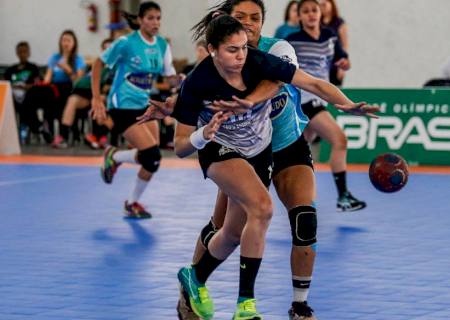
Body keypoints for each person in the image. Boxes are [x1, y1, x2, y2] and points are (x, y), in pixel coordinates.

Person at [141, 11, 377, 320]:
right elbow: (180, 145)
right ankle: (246, 306)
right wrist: (204, 133)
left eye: (243, 48)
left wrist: (347, 105)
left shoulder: (257, 60)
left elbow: (313, 83)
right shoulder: (198, 83)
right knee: (263, 208)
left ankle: (194, 276)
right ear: (212, 49)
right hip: (220, 150)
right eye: (232, 50)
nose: (241, 56)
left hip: (259, 151)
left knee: (232, 233)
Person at [90, 1, 177, 219]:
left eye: (158, 18)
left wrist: (186, 79)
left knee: (151, 160)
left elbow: (171, 78)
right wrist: (96, 99)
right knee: (152, 155)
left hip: (143, 104)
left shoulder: (162, 46)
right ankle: (130, 201)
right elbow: (98, 64)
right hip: (121, 105)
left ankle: (115, 158)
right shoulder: (126, 43)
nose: (155, 22)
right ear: (140, 20)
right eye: (150, 18)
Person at [286, 0, 366, 212]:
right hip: (304, 100)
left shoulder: (330, 36)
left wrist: (344, 63)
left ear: (321, 13)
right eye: (306, 11)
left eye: (315, 10)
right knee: (339, 139)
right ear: (299, 16)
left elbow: (341, 58)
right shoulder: (292, 41)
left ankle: (289, 189)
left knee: (298, 149)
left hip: (321, 98)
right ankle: (343, 197)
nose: (311, 14)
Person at [21, 30, 86, 140]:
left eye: (69, 40)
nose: (66, 43)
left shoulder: (78, 59)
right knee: (30, 94)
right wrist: (40, 83)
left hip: (70, 87)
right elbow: (48, 77)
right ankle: (38, 126)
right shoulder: (55, 58)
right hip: (53, 87)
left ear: (74, 43)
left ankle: (55, 131)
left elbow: (78, 82)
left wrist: (68, 70)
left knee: (56, 100)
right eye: (64, 40)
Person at [52, 38, 114, 149]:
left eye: (110, 48)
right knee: (72, 100)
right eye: (105, 49)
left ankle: (100, 137)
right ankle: (63, 137)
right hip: (87, 93)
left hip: (107, 96)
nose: (107, 51)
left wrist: (102, 92)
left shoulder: (117, 66)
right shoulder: (96, 66)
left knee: (101, 100)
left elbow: (112, 86)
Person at [4, 41, 40, 143]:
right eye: (20, 52)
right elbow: (6, 83)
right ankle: (33, 126)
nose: (22, 54)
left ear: (29, 53)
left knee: (28, 100)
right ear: (17, 53)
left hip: (28, 95)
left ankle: (26, 126)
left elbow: (37, 83)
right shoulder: (10, 70)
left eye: (25, 52)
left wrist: (26, 86)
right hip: (13, 96)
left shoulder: (33, 68)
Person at [319, 0, 349, 86]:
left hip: (335, 64)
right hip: (321, 64)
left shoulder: (339, 23)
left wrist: (342, 67)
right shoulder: (317, 22)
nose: (322, 7)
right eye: (320, 5)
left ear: (331, 4)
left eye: (324, 4)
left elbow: (345, 45)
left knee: (335, 90)